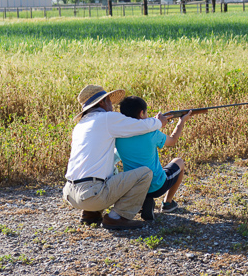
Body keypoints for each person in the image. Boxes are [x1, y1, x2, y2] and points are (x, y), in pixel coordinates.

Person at [63, 84, 171, 230]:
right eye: (109, 100)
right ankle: (117, 217)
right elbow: (140, 126)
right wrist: (159, 122)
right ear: (102, 102)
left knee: (108, 169)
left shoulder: (81, 125)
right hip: (92, 194)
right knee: (145, 173)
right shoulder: (107, 118)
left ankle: (90, 213)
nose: (112, 105)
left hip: (70, 193)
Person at [115, 96, 191, 222]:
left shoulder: (118, 135)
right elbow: (172, 141)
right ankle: (168, 203)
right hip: (156, 185)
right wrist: (181, 122)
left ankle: (144, 201)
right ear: (141, 113)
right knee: (179, 162)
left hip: (133, 186)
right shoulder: (152, 133)